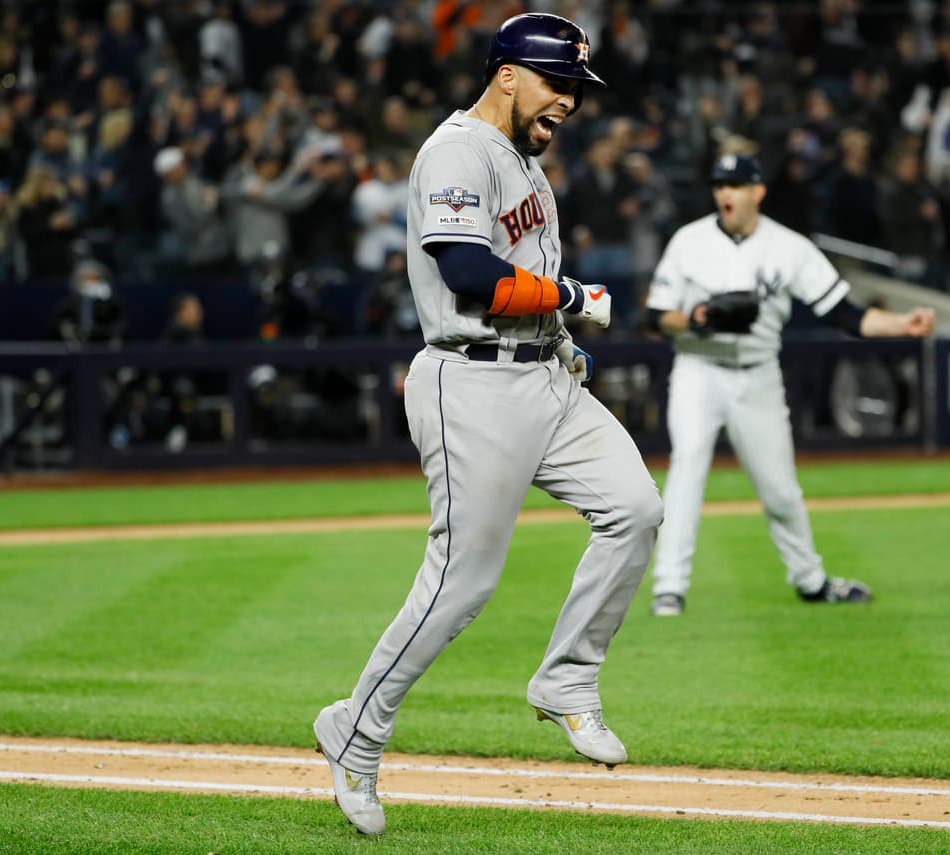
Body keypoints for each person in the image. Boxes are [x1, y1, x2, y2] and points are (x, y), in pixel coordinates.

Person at [311, 13, 664, 836]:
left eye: (576, 87)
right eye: (557, 83)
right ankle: (356, 731)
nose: (569, 102)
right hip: (469, 381)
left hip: (545, 373)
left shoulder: (526, 167)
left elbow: (525, 270)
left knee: (636, 507)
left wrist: (565, 335)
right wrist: (574, 296)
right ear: (507, 73)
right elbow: (468, 273)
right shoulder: (457, 151)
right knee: (460, 582)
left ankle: (567, 679)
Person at [644, 153, 936, 618]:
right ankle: (669, 588)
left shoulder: (789, 248)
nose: (726, 193)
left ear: (758, 192)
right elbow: (656, 317)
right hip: (698, 370)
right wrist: (697, 319)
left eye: (736, 185)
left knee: (780, 490)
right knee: (687, 470)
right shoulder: (688, 241)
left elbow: (847, 315)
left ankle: (810, 581)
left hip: (758, 373)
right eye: (720, 184)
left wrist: (904, 323)